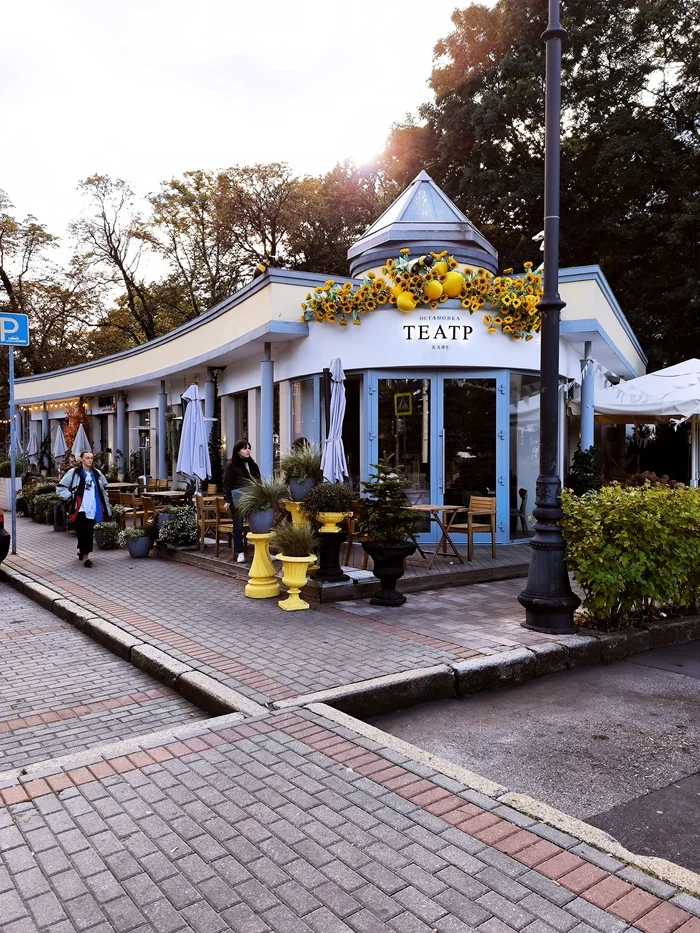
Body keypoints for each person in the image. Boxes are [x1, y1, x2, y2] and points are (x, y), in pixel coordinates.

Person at [56, 450, 112, 568]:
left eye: (91, 458)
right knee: (82, 530)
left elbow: (105, 487)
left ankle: (81, 549)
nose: (90, 460)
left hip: (92, 507)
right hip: (79, 507)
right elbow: (60, 488)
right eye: (87, 458)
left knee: (88, 530)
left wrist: (104, 501)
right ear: (81, 459)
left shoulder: (96, 473)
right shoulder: (74, 473)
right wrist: (70, 497)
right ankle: (86, 556)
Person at [222, 439, 261, 562]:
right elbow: (227, 483)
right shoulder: (231, 465)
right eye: (245, 448)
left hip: (253, 497)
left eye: (249, 448)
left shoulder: (252, 464)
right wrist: (227, 499)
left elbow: (258, 480)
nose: (248, 450)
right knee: (238, 526)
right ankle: (240, 552)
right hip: (238, 498)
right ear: (238, 451)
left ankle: (261, 552)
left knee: (258, 526)